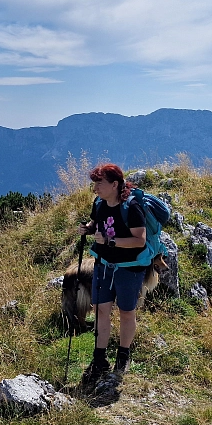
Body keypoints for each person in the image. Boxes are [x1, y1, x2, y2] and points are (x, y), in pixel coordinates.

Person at [76, 163, 146, 384]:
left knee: (126, 312)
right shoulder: (99, 203)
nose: (95, 188)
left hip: (128, 269)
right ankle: (99, 358)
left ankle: (123, 355)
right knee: (100, 310)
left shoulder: (131, 207)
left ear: (114, 184)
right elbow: (96, 222)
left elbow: (139, 240)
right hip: (104, 264)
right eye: (94, 183)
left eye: (99, 183)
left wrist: (110, 241)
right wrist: (87, 228)